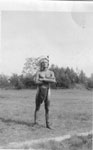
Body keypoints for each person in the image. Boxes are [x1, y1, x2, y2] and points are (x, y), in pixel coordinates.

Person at [34, 56, 56, 129]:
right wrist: (48, 80)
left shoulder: (51, 72)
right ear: (41, 64)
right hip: (39, 90)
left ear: (48, 64)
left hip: (48, 90)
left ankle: (48, 124)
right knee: (37, 107)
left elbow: (54, 81)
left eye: (45, 63)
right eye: (42, 63)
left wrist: (43, 79)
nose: (44, 64)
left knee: (47, 108)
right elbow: (36, 81)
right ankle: (35, 123)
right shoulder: (39, 72)